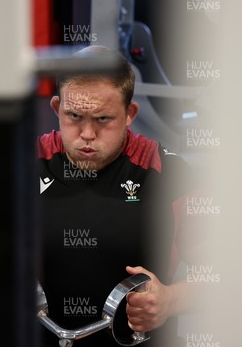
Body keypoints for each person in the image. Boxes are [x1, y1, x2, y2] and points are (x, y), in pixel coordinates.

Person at [36, 45, 192, 347]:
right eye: (74, 116)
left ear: (129, 113)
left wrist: (170, 300)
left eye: (103, 119)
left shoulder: (163, 171)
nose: (87, 134)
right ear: (56, 108)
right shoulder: (25, 163)